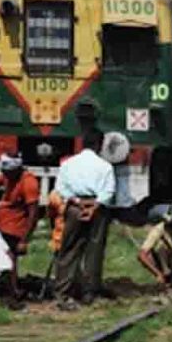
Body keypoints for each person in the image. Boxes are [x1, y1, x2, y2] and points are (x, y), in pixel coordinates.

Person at [53, 129, 115, 310]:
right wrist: (93, 206)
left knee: (69, 249)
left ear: (82, 143)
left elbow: (61, 188)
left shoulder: (68, 164)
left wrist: (78, 203)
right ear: (100, 145)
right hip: (97, 208)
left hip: (74, 208)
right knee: (94, 250)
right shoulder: (105, 166)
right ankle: (89, 292)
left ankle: (63, 292)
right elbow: (108, 192)